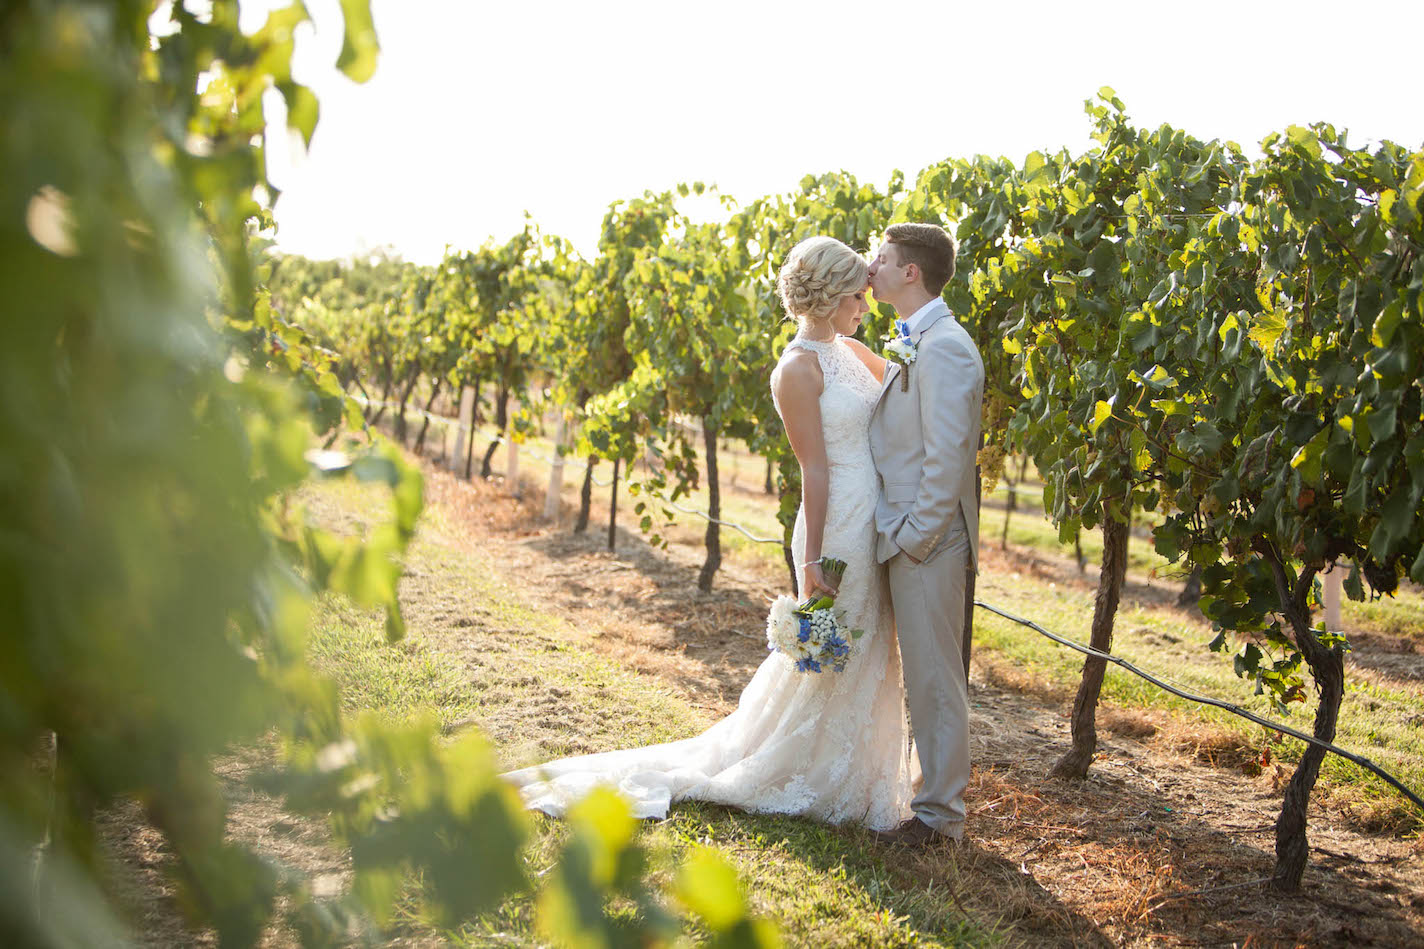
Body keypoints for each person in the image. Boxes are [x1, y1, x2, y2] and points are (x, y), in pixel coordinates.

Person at [500, 236, 914, 831]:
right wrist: (812, 559)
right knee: (834, 648)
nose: (865, 305)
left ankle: (855, 770)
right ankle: (811, 771)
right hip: (836, 524)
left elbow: (901, 383)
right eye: (857, 295)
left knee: (868, 646)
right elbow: (813, 469)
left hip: (871, 517)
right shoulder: (795, 369)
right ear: (827, 298)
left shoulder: (851, 349)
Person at [865, 223, 985, 846]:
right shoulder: (916, 338)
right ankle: (930, 804)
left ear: (910, 272)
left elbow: (950, 455)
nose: (871, 266)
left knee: (936, 677)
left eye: (880, 258)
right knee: (922, 671)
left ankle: (941, 819)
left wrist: (916, 536)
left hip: (928, 540)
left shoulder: (946, 348)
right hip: (904, 531)